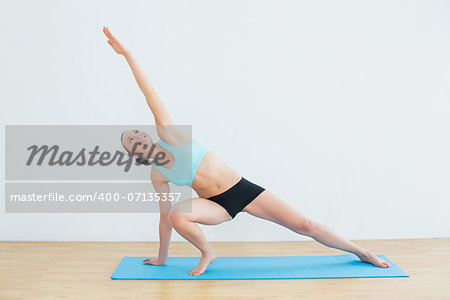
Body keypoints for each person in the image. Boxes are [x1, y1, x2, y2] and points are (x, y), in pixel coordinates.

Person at [103, 26, 391, 276]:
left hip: (242, 189)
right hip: (216, 205)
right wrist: (162, 259)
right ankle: (207, 252)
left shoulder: (168, 134)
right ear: (136, 154)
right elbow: (164, 218)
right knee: (176, 215)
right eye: (132, 140)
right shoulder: (157, 174)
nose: (138, 135)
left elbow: (149, 92)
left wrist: (126, 54)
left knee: (305, 225)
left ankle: (360, 251)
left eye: (137, 132)